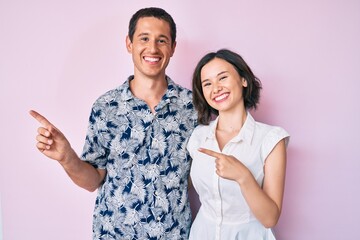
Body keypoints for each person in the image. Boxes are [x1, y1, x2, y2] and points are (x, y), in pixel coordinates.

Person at [30, 7, 197, 239]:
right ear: (129, 43)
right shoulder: (106, 107)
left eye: (162, 40)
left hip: (174, 234)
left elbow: (202, 175)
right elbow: (93, 181)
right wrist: (66, 157)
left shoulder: (193, 107)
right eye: (144, 38)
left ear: (173, 48)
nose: (152, 48)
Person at [187, 49, 290, 239]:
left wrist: (243, 177)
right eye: (207, 83)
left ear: (243, 80)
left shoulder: (270, 139)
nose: (216, 88)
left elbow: (270, 218)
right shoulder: (198, 137)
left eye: (222, 78)